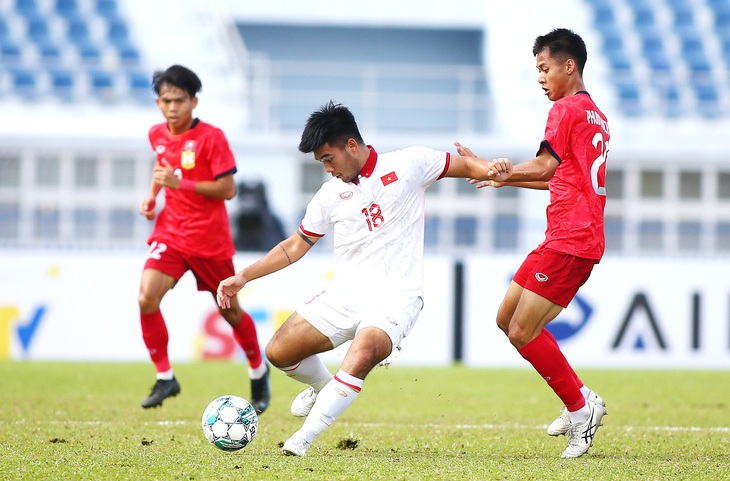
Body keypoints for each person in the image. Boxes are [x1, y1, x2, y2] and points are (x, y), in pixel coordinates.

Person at [216, 100, 507, 456]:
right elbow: (295, 246)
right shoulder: (327, 197)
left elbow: (464, 165)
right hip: (346, 294)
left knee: (364, 350)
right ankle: (325, 388)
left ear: (350, 146)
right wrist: (243, 276)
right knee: (279, 351)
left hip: (398, 296)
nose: (326, 168)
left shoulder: (408, 163)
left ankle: (302, 439)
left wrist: (491, 167)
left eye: (327, 158)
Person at [455, 28, 609, 458]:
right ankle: (578, 399)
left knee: (523, 329)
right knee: (507, 320)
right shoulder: (594, 113)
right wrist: (502, 177)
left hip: (572, 240)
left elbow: (544, 167)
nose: (540, 78)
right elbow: (560, 178)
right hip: (564, 235)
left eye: (544, 69)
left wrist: (495, 171)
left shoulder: (564, 110)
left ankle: (581, 410)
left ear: (569, 66)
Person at [137, 65, 271, 413]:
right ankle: (165, 377)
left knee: (230, 312)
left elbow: (228, 189)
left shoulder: (212, 138)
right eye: (166, 100)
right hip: (171, 233)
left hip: (209, 241)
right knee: (146, 297)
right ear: (158, 102)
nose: (172, 108)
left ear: (194, 101)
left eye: (179, 100)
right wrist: (153, 197)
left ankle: (258, 370)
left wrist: (179, 184)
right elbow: (162, 168)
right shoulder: (157, 134)